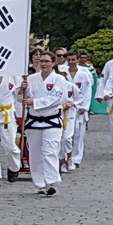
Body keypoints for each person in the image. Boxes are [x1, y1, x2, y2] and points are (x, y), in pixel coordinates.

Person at [21, 49, 74, 195]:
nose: (43, 63)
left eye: (46, 61)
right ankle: (39, 183)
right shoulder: (31, 79)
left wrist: (34, 102)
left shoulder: (59, 80)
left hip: (51, 120)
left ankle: (51, 182)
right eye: (41, 61)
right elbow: (22, 98)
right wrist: (21, 90)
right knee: (35, 153)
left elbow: (58, 98)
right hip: (33, 121)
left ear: (53, 63)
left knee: (50, 151)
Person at [61, 55, 93, 171]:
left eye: (73, 59)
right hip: (66, 109)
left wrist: (84, 107)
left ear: (77, 60)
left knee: (79, 134)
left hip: (78, 108)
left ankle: (76, 158)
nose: (71, 62)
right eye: (68, 60)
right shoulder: (62, 72)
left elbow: (87, 91)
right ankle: (65, 158)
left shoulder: (84, 74)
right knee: (66, 136)